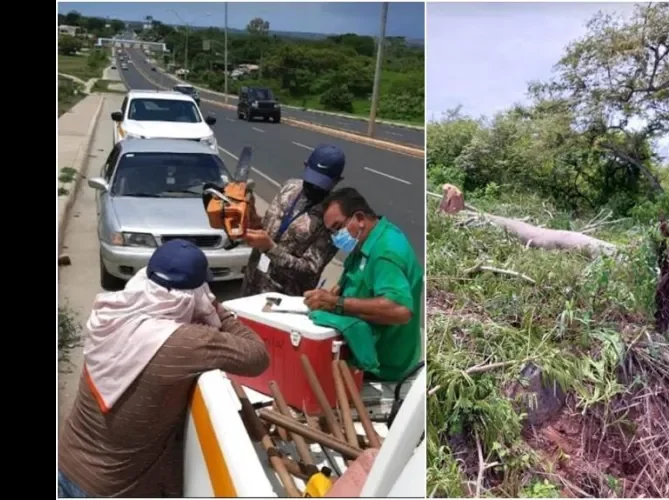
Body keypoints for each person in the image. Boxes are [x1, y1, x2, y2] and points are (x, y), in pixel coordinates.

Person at [57, 240, 269, 497]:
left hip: (66, 464)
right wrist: (217, 310)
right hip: (108, 490)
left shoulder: (113, 313)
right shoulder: (185, 342)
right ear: (198, 294)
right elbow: (258, 356)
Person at [303, 187, 422, 382]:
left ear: (359, 218)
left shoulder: (386, 252)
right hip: (363, 355)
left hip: (384, 369)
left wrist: (337, 303)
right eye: (331, 231)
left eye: (337, 227)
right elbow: (353, 286)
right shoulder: (364, 243)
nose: (335, 236)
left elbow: (400, 310)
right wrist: (332, 296)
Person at [240, 144, 346, 297]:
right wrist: (252, 217)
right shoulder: (290, 187)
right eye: (311, 180)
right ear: (305, 166)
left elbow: (310, 269)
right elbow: (270, 226)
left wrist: (270, 248)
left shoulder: (334, 217)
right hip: (252, 282)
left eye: (321, 184)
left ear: (337, 181)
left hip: (281, 298)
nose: (314, 188)